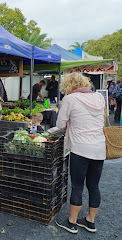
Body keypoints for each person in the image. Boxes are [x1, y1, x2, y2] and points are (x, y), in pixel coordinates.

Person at [47, 73, 105, 234]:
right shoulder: (99, 98)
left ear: (68, 85)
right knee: (94, 186)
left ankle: (72, 222)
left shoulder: (70, 99)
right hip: (100, 147)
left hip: (80, 148)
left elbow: (60, 124)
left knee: (77, 186)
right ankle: (90, 221)